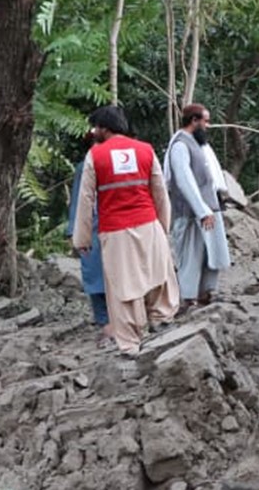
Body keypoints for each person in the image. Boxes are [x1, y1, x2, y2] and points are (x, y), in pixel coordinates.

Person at [71, 106, 180, 356]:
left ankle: (130, 343)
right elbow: (160, 192)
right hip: (148, 223)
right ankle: (161, 318)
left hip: (115, 230)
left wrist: (82, 238)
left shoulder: (95, 156)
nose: (93, 131)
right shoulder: (145, 150)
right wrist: (163, 227)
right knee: (159, 274)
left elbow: (85, 200)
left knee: (123, 286)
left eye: (95, 127)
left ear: (103, 128)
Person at [164, 103, 232, 309]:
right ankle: (187, 299)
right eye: (205, 121)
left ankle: (206, 294)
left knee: (211, 253)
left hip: (208, 209)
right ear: (194, 121)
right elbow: (185, 181)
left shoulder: (197, 143)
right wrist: (202, 210)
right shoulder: (180, 145)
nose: (208, 125)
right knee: (190, 257)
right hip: (190, 213)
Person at [67, 140, 110, 349]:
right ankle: (104, 323)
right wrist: (74, 232)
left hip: (115, 224)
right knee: (95, 276)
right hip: (92, 226)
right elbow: (78, 200)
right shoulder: (84, 166)